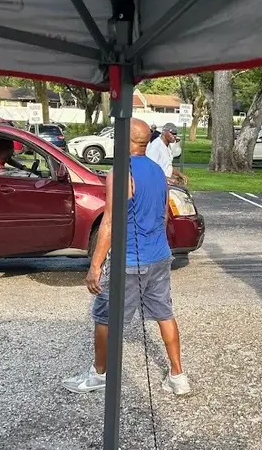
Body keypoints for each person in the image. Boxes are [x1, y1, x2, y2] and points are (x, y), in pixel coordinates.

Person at [63, 119, 190, 396]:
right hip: (159, 257)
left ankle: (99, 374)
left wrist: (94, 266)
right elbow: (164, 214)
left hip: (129, 261)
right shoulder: (158, 171)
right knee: (164, 314)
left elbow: (109, 222)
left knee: (104, 316)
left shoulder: (119, 172)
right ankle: (178, 376)